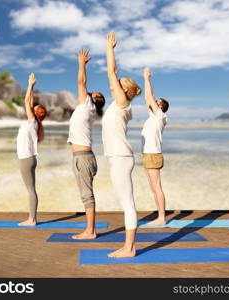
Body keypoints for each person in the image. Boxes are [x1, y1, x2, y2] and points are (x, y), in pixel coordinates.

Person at [102, 31, 142, 258]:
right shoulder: (119, 105)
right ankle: (129, 246)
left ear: (125, 90)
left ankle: (130, 248)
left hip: (121, 157)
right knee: (125, 201)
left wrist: (110, 50)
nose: (114, 85)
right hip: (118, 157)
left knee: (127, 203)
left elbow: (111, 72)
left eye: (118, 84)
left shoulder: (122, 102)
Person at [68, 48, 105, 239]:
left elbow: (81, 82)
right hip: (81, 157)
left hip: (83, 158)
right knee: (86, 194)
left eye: (94, 93)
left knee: (87, 195)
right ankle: (90, 229)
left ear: (94, 100)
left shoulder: (87, 105)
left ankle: (90, 231)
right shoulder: (87, 108)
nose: (90, 91)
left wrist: (82, 63)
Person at [17, 73, 47, 226]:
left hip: (26, 159)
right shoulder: (35, 124)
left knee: (30, 189)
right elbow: (29, 102)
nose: (30, 107)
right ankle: (32, 217)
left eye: (33, 108)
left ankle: (32, 219)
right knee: (31, 189)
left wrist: (30, 85)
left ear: (35, 113)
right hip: (30, 158)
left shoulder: (32, 121)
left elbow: (26, 101)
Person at [142, 67, 169, 226]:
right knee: (153, 187)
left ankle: (161, 218)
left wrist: (147, 78)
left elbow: (150, 96)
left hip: (153, 154)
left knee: (157, 186)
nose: (153, 103)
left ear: (161, 107)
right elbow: (148, 97)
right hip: (148, 154)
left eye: (158, 103)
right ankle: (160, 216)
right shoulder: (153, 116)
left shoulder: (160, 116)